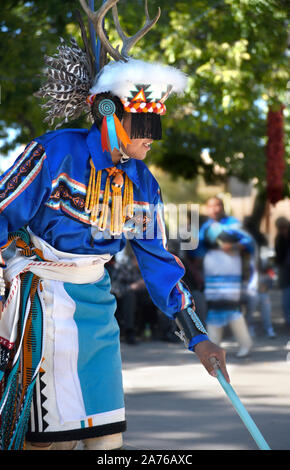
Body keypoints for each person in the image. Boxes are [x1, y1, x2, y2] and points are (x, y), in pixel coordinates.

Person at [0, 0, 229, 451]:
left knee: (108, 440)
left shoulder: (142, 183)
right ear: (110, 113)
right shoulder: (55, 152)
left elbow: (159, 262)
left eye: (155, 125)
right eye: (142, 122)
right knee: (53, 442)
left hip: (98, 312)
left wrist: (198, 337)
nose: (149, 135)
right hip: (42, 308)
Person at [189, 196, 254, 358]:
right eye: (210, 206)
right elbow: (196, 250)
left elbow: (248, 241)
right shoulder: (204, 227)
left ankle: (245, 343)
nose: (214, 209)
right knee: (214, 308)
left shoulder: (233, 223)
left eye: (217, 205)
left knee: (232, 307)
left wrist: (233, 246)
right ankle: (214, 346)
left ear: (222, 207)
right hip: (213, 270)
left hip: (230, 269)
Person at [274, 217, 290, 327]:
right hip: (284, 269)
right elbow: (278, 255)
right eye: (281, 228)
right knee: (286, 296)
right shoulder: (279, 238)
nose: (283, 230)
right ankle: (288, 320)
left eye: (284, 228)